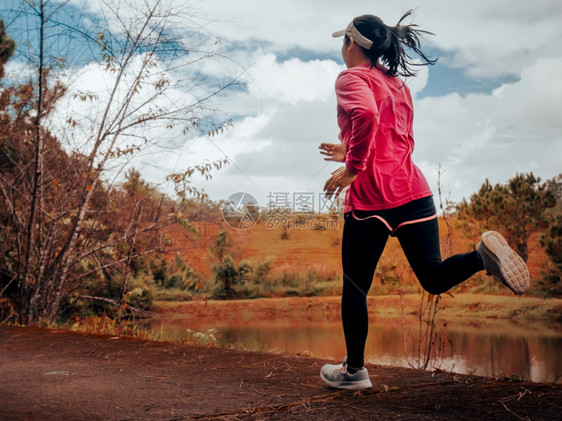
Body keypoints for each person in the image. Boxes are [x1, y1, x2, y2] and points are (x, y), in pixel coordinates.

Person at [318, 11, 530, 390]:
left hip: (372, 200)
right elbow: (391, 134)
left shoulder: (350, 77)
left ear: (352, 44)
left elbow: (366, 113)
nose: (341, 49)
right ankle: (482, 257)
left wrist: (353, 165)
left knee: (355, 287)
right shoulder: (397, 84)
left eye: (343, 42)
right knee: (433, 277)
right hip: (414, 192)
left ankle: (354, 371)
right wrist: (347, 147)